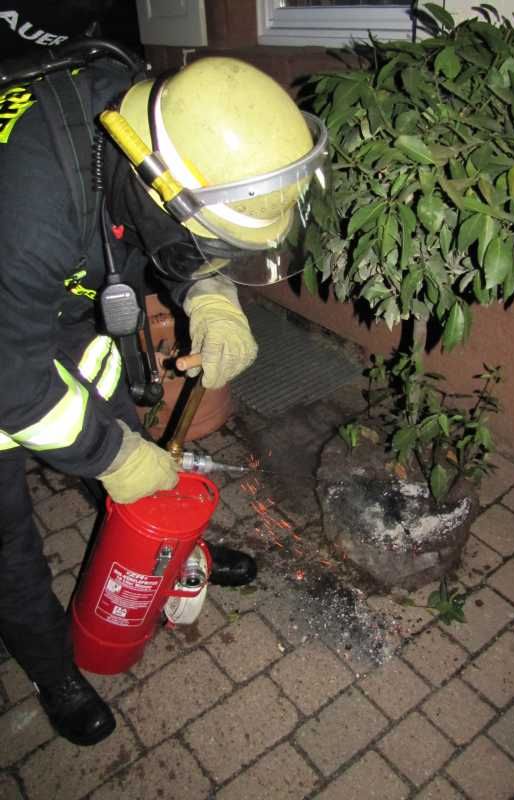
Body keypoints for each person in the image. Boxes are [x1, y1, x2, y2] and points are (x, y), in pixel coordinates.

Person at [0, 41, 329, 748]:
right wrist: (109, 456)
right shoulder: (24, 211)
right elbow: (11, 384)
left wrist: (209, 293)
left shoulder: (146, 118)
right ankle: (50, 665)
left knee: (130, 444)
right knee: (9, 536)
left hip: (47, 298)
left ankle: (167, 556)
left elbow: (163, 226)